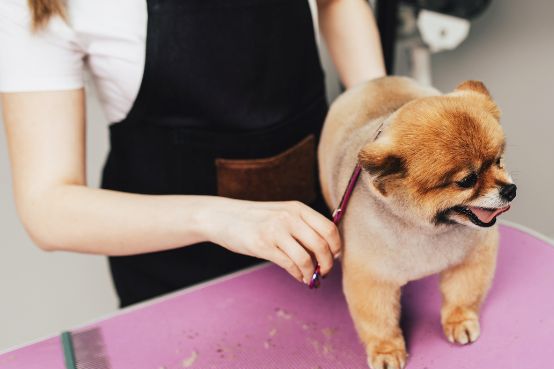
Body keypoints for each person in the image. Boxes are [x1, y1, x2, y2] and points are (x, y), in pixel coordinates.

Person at [0, 0, 387, 306]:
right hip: (177, 275)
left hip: (324, 243)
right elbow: (47, 205)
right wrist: (216, 217)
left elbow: (337, 3)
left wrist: (382, 117)